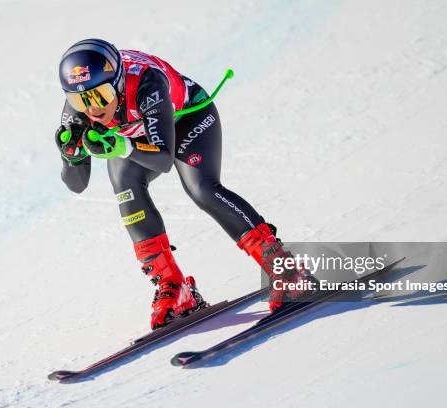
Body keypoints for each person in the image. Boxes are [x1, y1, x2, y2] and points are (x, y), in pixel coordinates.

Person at [56, 39, 307, 329]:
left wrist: (122, 146)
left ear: (119, 82)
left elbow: (163, 159)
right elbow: (76, 185)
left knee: (202, 189)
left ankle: (285, 270)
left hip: (187, 117)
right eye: (80, 100)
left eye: (101, 96)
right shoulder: (79, 106)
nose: (93, 109)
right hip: (137, 134)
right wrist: (70, 157)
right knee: (126, 188)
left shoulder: (148, 84)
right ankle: (174, 288)